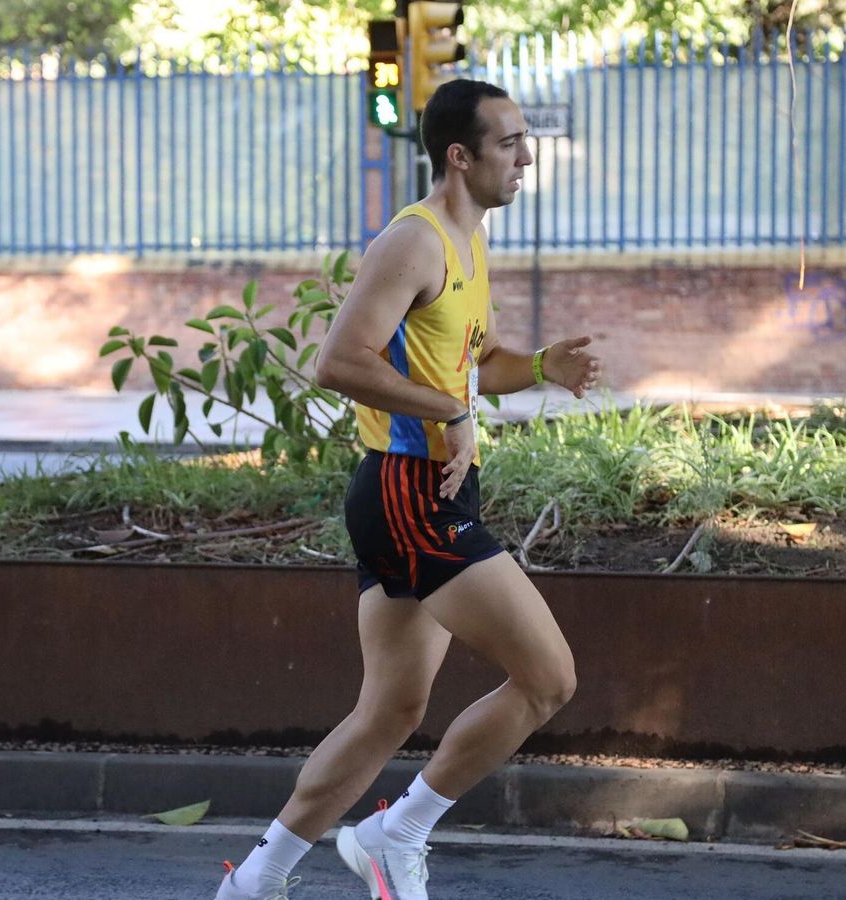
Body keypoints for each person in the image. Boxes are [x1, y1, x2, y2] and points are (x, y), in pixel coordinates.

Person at [215, 78, 602, 900]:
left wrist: (538, 368)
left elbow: (475, 362)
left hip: (426, 490)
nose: (527, 156)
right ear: (459, 157)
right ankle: (400, 832)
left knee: (389, 711)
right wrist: (447, 413)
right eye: (509, 143)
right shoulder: (415, 241)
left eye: (524, 139)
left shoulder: (470, 241)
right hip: (408, 491)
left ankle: (259, 878)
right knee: (549, 678)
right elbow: (339, 361)